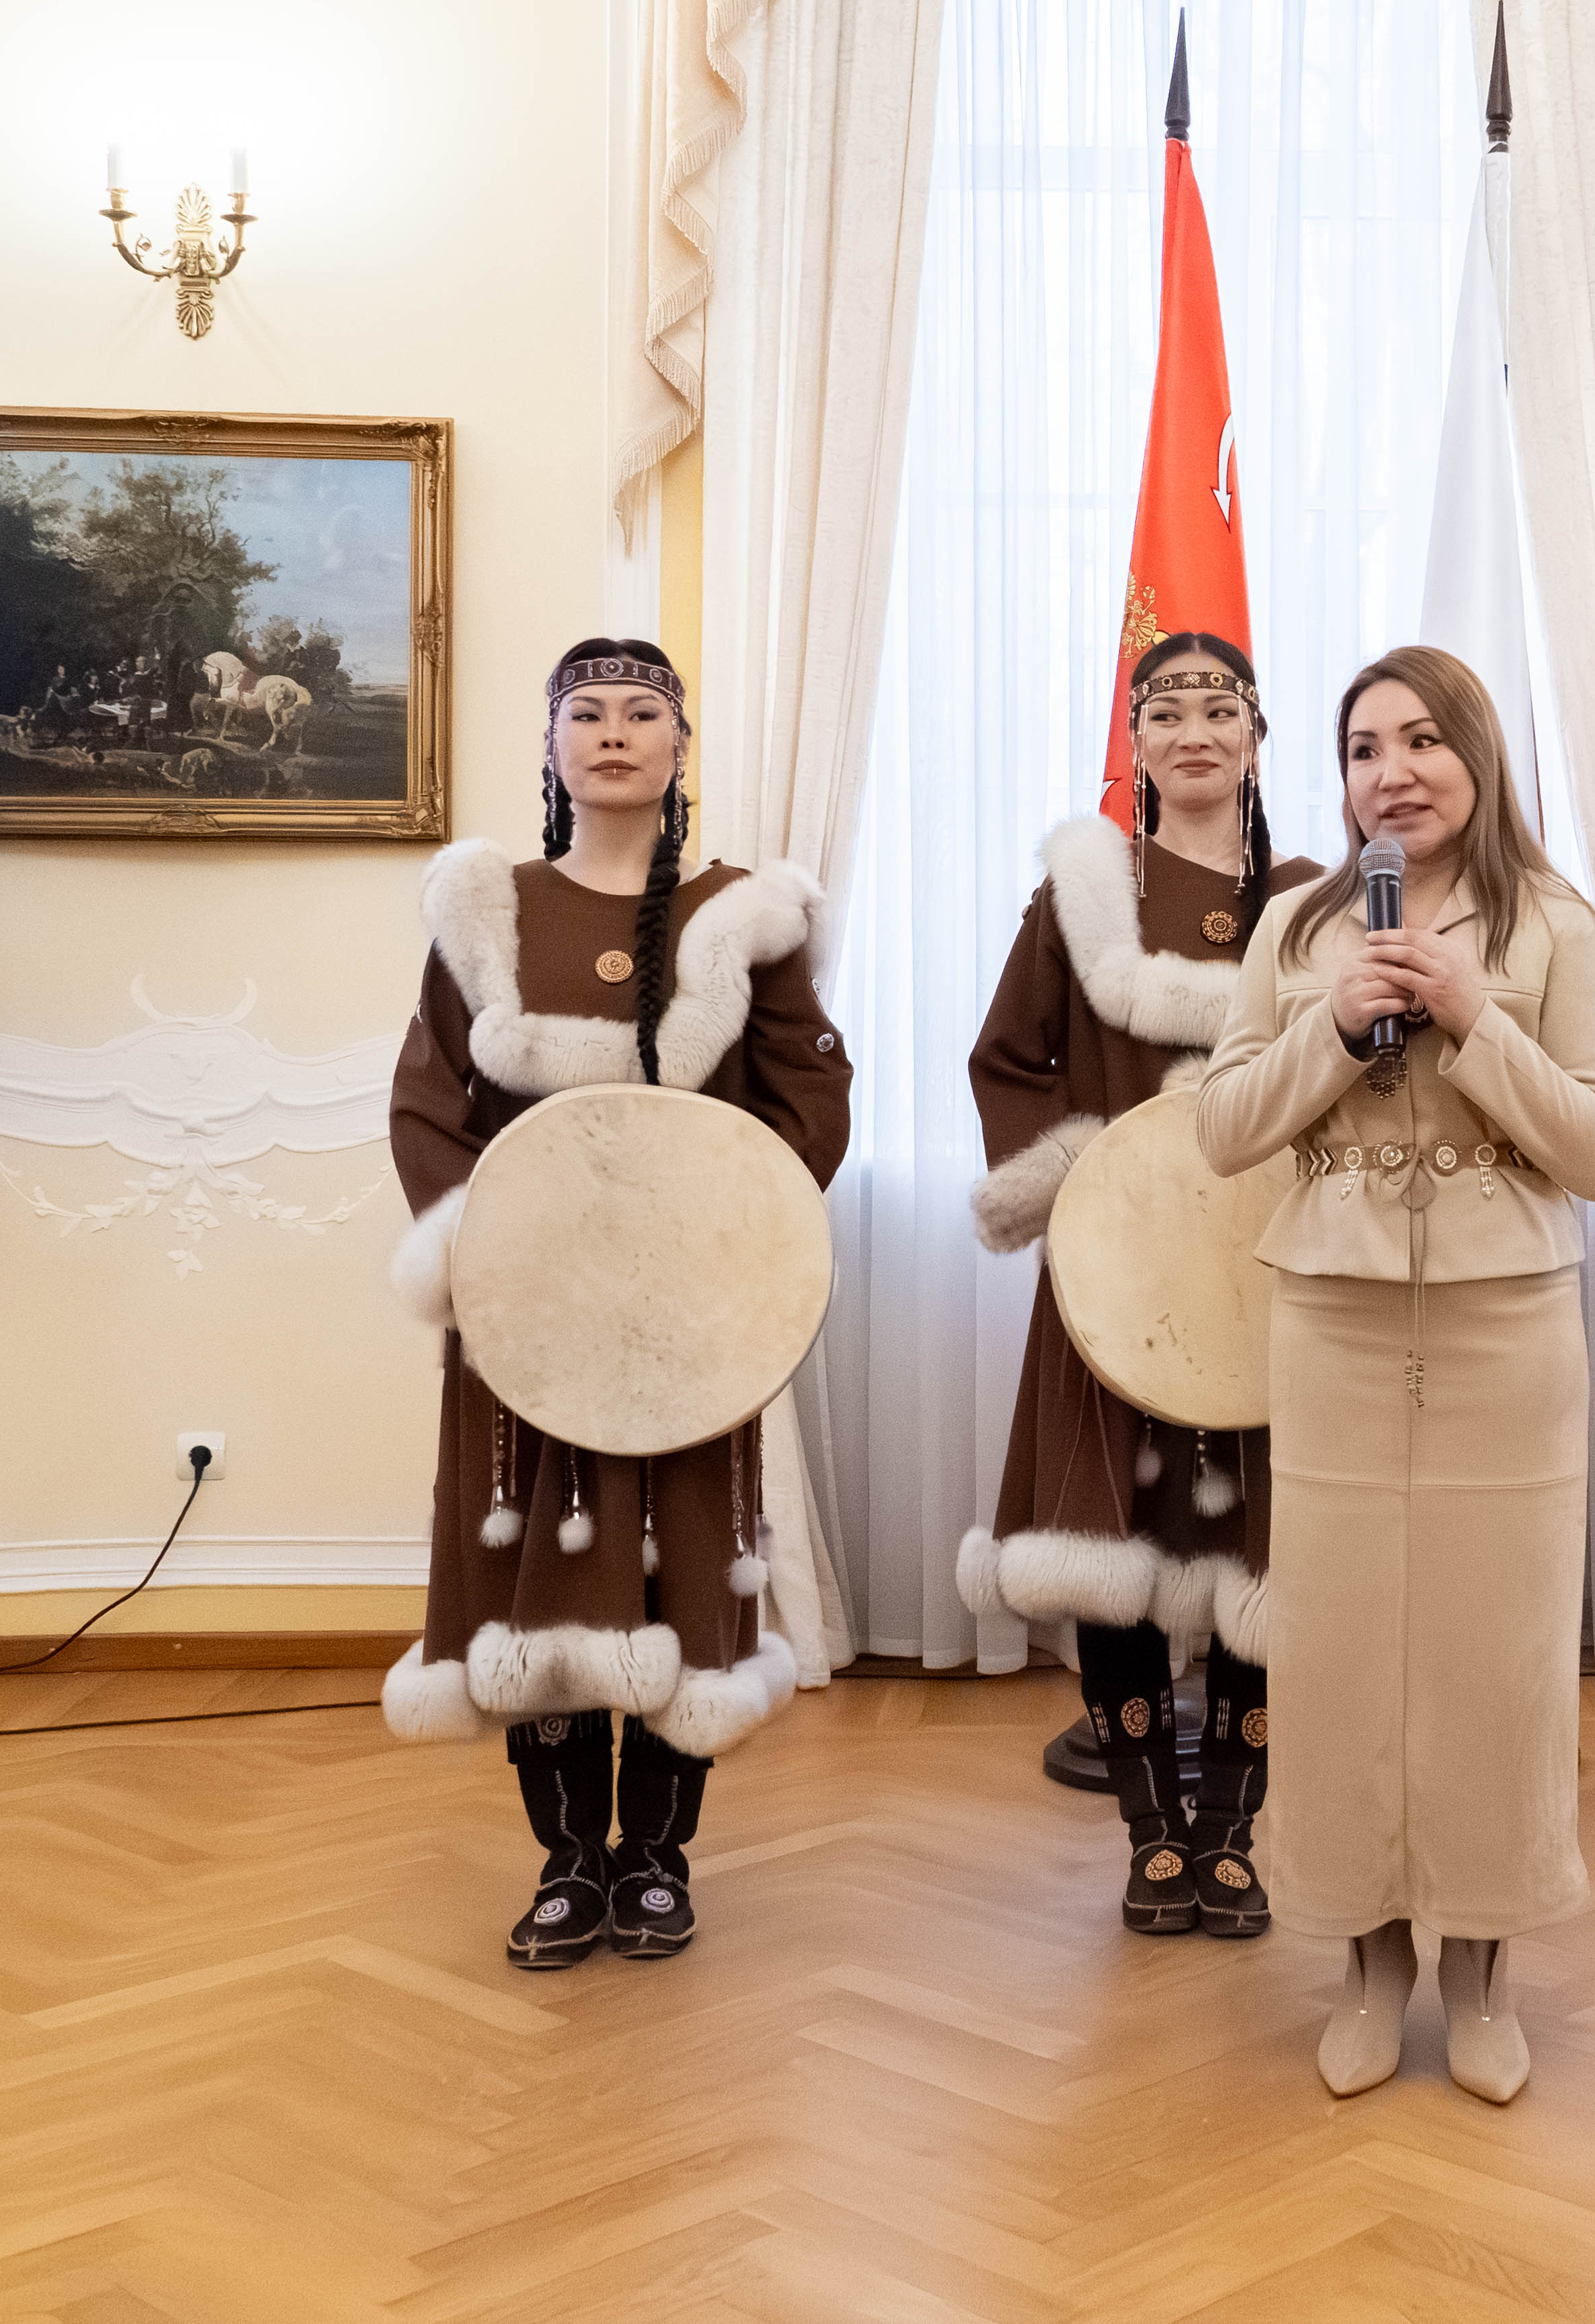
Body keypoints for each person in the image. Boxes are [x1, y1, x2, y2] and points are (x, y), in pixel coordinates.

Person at [1193, 645, 1595, 2102]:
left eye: (1424, 739)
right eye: (1364, 747)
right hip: (1332, 1319)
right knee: (1340, 1650)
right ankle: (1370, 1958)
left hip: (1509, 1325)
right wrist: (1331, 1025)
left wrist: (1472, 1013)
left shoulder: (1557, 922)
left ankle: (1484, 1967)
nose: (1393, 771)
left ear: (1479, 755)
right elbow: (1224, 1129)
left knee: (1495, 1650)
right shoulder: (1296, 926)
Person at [382, 638, 851, 1968]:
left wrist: (720, 1242)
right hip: (527, 1313)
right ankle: (566, 1861)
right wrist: (498, 1253)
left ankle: (654, 1856)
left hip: (685, 1317)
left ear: (678, 746)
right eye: (585, 712)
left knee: (678, 1569)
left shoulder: (741, 917)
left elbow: (808, 1103)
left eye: (642, 712)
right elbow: (428, 1105)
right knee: (537, 1583)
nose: (612, 732)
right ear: (552, 745)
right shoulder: (489, 911)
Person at [957, 632, 1325, 1937]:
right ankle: (1151, 1836)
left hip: (1269, 1284)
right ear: (1136, 741)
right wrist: (1086, 1183)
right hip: (1111, 1279)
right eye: (1165, 710)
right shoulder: (1081, 896)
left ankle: (1228, 1834)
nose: (1193, 731)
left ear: (1257, 735)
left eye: (1220, 707)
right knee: (1106, 1554)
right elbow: (1010, 1061)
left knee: (1260, 1568)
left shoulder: (1313, 904)